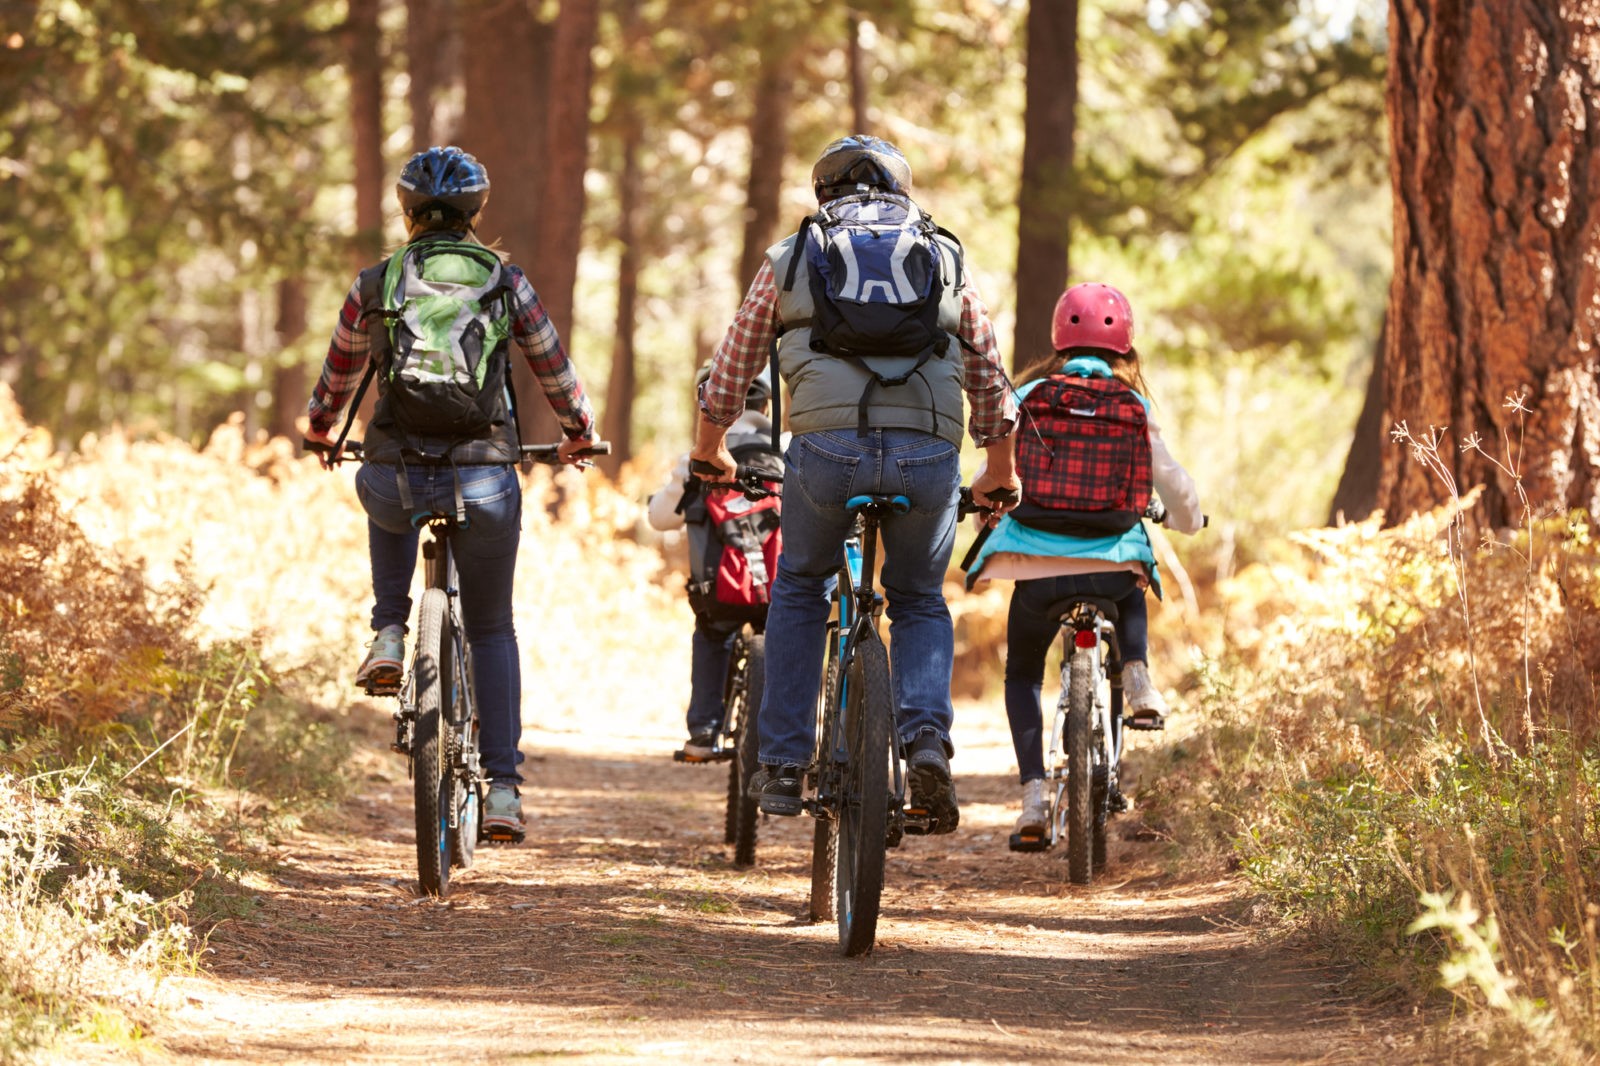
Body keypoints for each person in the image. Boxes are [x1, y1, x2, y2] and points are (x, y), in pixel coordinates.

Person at [691, 134, 1020, 834]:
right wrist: (1000, 466)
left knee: (801, 585)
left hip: (826, 452)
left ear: (823, 194)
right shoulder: (945, 254)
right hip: (928, 454)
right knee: (920, 599)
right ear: (903, 191)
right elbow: (988, 369)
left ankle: (781, 764)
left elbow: (730, 371)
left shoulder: (793, 256)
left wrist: (710, 450)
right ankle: (926, 741)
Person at [304, 145, 597, 842]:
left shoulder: (376, 282)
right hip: (485, 471)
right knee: (492, 627)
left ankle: (389, 629)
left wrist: (321, 431)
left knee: (388, 491)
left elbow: (339, 376)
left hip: (394, 467)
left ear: (406, 211)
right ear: (475, 214)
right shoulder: (505, 280)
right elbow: (552, 367)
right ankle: (501, 791)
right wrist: (579, 431)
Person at [965, 282, 1203, 839]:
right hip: (1111, 560)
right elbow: (1177, 486)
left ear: (1058, 339)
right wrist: (1188, 521)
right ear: (1124, 346)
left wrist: (985, 515)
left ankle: (1031, 800)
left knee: (1022, 674)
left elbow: (993, 476)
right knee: (1132, 582)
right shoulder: (1134, 405)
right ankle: (1138, 676)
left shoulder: (1029, 396)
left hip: (1037, 565)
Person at [647, 365, 783, 760]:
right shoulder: (787, 448)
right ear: (765, 404)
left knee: (712, 633)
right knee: (789, 638)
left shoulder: (697, 459)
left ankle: (704, 733)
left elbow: (659, 518)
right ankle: (788, 741)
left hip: (719, 591)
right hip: (782, 587)